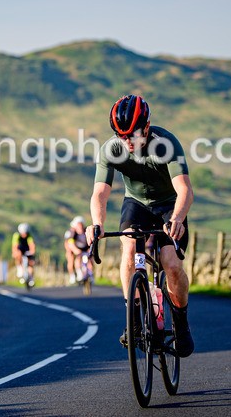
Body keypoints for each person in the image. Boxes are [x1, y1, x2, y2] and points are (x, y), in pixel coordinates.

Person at [86, 94, 195, 357]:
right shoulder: (111, 149)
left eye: (133, 134)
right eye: (122, 136)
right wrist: (97, 224)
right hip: (136, 204)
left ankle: (180, 322)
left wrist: (177, 219)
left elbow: (185, 190)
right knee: (129, 245)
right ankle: (133, 320)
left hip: (169, 205)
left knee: (170, 263)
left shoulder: (166, 143)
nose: (128, 142)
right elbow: (100, 193)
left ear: (146, 126)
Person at [64, 215, 89, 284]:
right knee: (71, 259)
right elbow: (70, 243)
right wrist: (75, 250)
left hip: (82, 247)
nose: (80, 226)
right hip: (71, 247)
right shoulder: (71, 232)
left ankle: (89, 274)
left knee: (89, 258)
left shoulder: (85, 230)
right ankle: (72, 275)